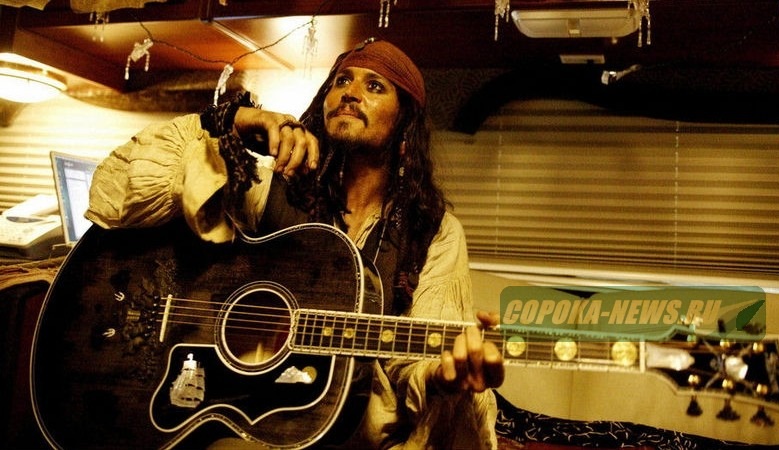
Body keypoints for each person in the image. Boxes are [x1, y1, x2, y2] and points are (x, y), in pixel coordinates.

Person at [86, 37, 504, 449]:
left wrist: (442, 375)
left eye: (375, 86)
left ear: (404, 122)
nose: (350, 93)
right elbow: (112, 191)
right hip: (229, 411)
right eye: (342, 81)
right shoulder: (266, 187)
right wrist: (237, 122)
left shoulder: (432, 231)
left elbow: (418, 360)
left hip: (348, 433)